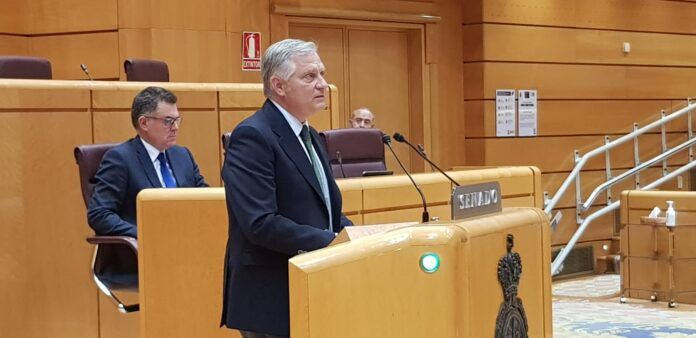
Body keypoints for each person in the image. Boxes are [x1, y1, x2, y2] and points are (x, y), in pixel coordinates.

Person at [220, 39, 353, 338]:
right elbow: (260, 222)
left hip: (309, 283)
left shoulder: (311, 135)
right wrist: (333, 241)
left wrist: (353, 235)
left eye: (322, 74)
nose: (323, 84)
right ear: (279, 86)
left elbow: (325, 210)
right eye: (310, 76)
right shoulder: (252, 136)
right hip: (271, 295)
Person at [88, 86, 208, 238]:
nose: (175, 128)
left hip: (188, 242)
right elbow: (99, 215)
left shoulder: (183, 155)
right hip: (143, 253)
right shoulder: (120, 159)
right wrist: (146, 236)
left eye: (177, 120)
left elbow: (205, 200)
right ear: (144, 123)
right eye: (168, 121)